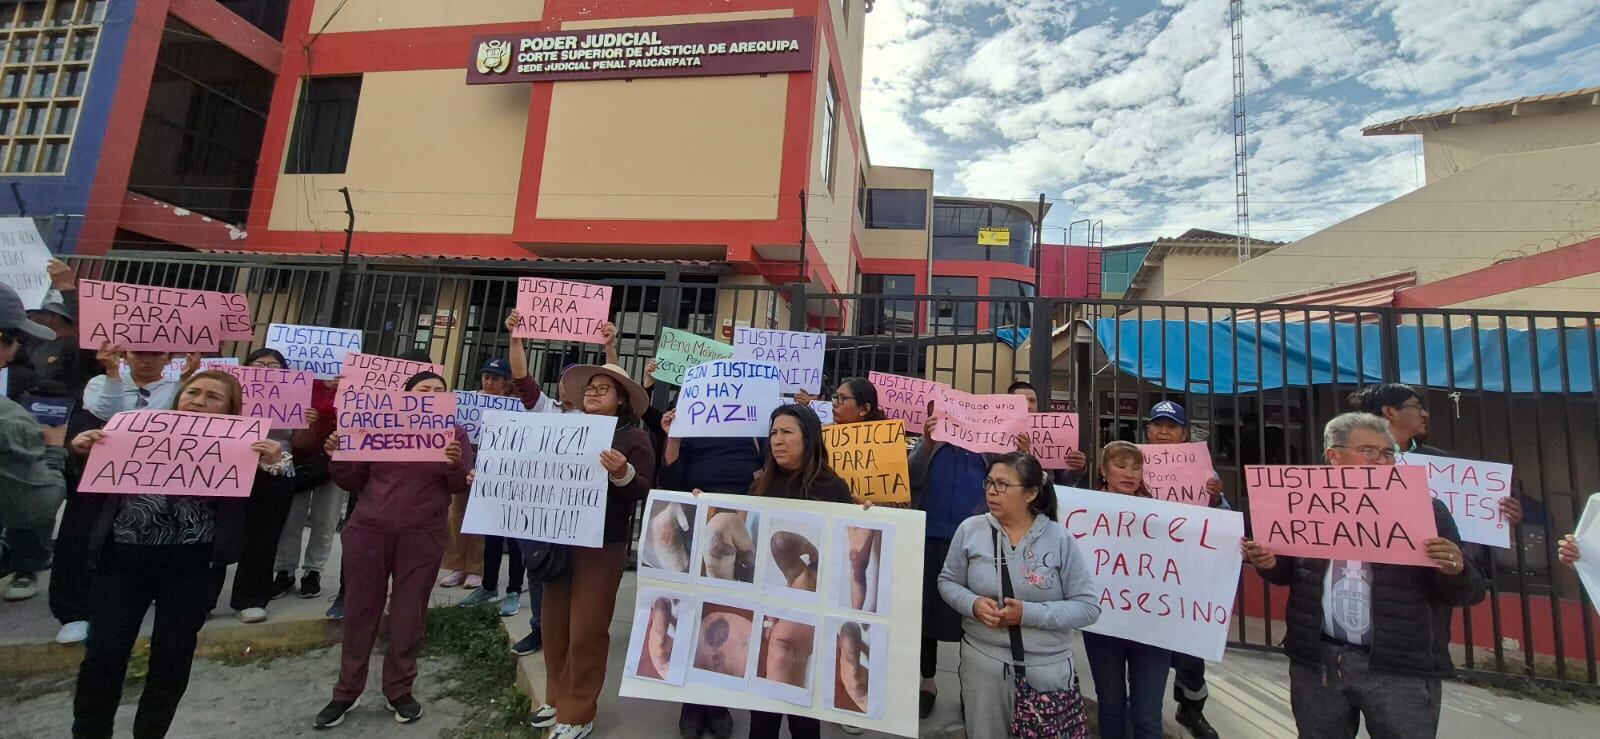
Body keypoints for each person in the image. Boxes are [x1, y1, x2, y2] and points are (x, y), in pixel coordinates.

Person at [71, 370, 293, 738]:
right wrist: (83, 452)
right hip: (122, 559)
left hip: (192, 566)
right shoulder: (135, 429)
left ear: (230, 410)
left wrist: (272, 466)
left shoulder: (241, 446)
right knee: (103, 654)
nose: (199, 401)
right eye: (193, 392)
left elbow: (267, 505)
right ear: (179, 396)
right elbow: (91, 483)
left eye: (212, 397)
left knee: (172, 658)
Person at [1241, 412, 1486, 739]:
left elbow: (1470, 591)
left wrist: (1455, 570)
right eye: (1369, 451)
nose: (1382, 461)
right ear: (1334, 455)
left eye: (1388, 453)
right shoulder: (1303, 506)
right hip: (1319, 663)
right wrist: (1268, 562)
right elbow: (1286, 573)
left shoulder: (1428, 510)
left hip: (1399, 669)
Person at [314, 371, 474, 728]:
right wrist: (339, 455)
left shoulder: (454, 434)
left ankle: (399, 689)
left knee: (408, 613)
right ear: (405, 396)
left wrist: (453, 463)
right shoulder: (376, 427)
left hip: (423, 534)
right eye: (423, 390)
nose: (431, 395)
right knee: (360, 611)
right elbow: (351, 480)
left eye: (438, 391)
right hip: (369, 531)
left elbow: (458, 485)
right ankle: (346, 692)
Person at [527, 361, 655, 739]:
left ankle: (578, 712)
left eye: (603, 389)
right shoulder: (566, 429)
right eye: (590, 388)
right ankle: (556, 697)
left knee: (587, 629)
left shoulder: (634, 438)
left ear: (621, 400)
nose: (594, 393)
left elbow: (644, 488)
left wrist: (622, 473)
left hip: (603, 544)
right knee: (555, 624)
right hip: (561, 538)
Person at [938, 452, 1100, 738]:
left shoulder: (1059, 539)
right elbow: (948, 581)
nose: (992, 491)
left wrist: (1028, 614)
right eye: (989, 483)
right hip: (983, 665)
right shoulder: (970, 530)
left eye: (1003, 484)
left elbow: (1087, 607)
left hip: (1047, 671)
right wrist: (973, 604)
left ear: (1031, 493)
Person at [658, 381, 767, 739]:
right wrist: (673, 438)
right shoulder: (692, 429)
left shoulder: (756, 430)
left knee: (727, 616)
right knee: (694, 615)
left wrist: (760, 482)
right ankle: (692, 704)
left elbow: (772, 470)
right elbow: (670, 480)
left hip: (741, 530)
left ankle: (717, 701)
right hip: (696, 525)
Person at [908, 401, 1029, 718]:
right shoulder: (932, 444)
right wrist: (927, 443)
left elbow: (1010, 484)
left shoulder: (989, 450)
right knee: (926, 614)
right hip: (929, 538)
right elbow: (910, 476)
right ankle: (927, 682)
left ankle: (969, 687)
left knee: (972, 615)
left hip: (976, 544)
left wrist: (1022, 456)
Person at [744, 404, 854, 739]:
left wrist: (866, 517)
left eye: (786, 432)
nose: (777, 440)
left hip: (814, 620)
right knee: (763, 714)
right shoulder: (760, 486)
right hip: (768, 610)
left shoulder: (832, 488)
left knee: (805, 715)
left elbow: (846, 549)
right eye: (773, 433)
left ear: (808, 438)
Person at [1347, 384, 1522, 572]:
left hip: (1429, 572)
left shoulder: (1442, 463)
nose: (1425, 414)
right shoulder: (1348, 460)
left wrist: (1502, 516)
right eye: (1416, 407)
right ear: (1390, 412)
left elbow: (1466, 535)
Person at [1142, 400, 1223, 739]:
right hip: (1142, 571)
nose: (1164, 431)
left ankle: (1191, 707)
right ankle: (1142, 706)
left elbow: (1221, 519)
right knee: (1143, 645)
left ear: (1184, 433)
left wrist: (1215, 498)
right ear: (1148, 430)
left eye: (1171, 426)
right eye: (1158, 425)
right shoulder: (1134, 463)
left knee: (1190, 650)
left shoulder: (1202, 470)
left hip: (1187, 573)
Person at [212, 349, 310, 623]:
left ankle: (251, 598)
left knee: (263, 537)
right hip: (226, 467)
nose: (265, 370)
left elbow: (301, 443)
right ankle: (203, 598)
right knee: (215, 533)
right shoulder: (228, 394)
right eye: (258, 364)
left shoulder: (294, 398)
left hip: (274, 470)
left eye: (273, 366)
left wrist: (308, 423)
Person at [1081, 441, 1171, 739]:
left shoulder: (1163, 514)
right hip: (1104, 625)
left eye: (1136, 467)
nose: (1130, 473)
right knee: (1111, 706)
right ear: (1103, 470)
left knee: (1147, 714)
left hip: (1153, 626)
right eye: (1120, 466)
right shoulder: (1083, 511)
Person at [0, 283, 68, 603]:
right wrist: (54, 451)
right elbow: (36, 508)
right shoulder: (8, 420)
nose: (17, 350)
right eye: (19, 339)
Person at [458, 357, 533, 617]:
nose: (489, 382)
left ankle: (514, 590)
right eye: (486, 377)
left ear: (506, 382)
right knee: (491, 534)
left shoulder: (521, 406)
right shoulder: (472, 402)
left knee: (515, 538)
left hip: (516, 477)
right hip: (487, 475)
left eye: (495, 378)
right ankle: (488, 586)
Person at [271, 373, 343, 602]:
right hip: (298, 460)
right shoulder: (302, 383)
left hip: (335, 462)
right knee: (291, 518)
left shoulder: (353, 389)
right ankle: (285, 570)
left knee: (326, 519)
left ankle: (313, 571)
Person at [1008, 380, 1089, 484]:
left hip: (1044, 493)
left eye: (1032, 401)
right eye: (1022, 401)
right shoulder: (996, 436)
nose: (1028, 405)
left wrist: (1076, 467)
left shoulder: (1052, 432)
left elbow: (1061, 480)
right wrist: (1023, 456)